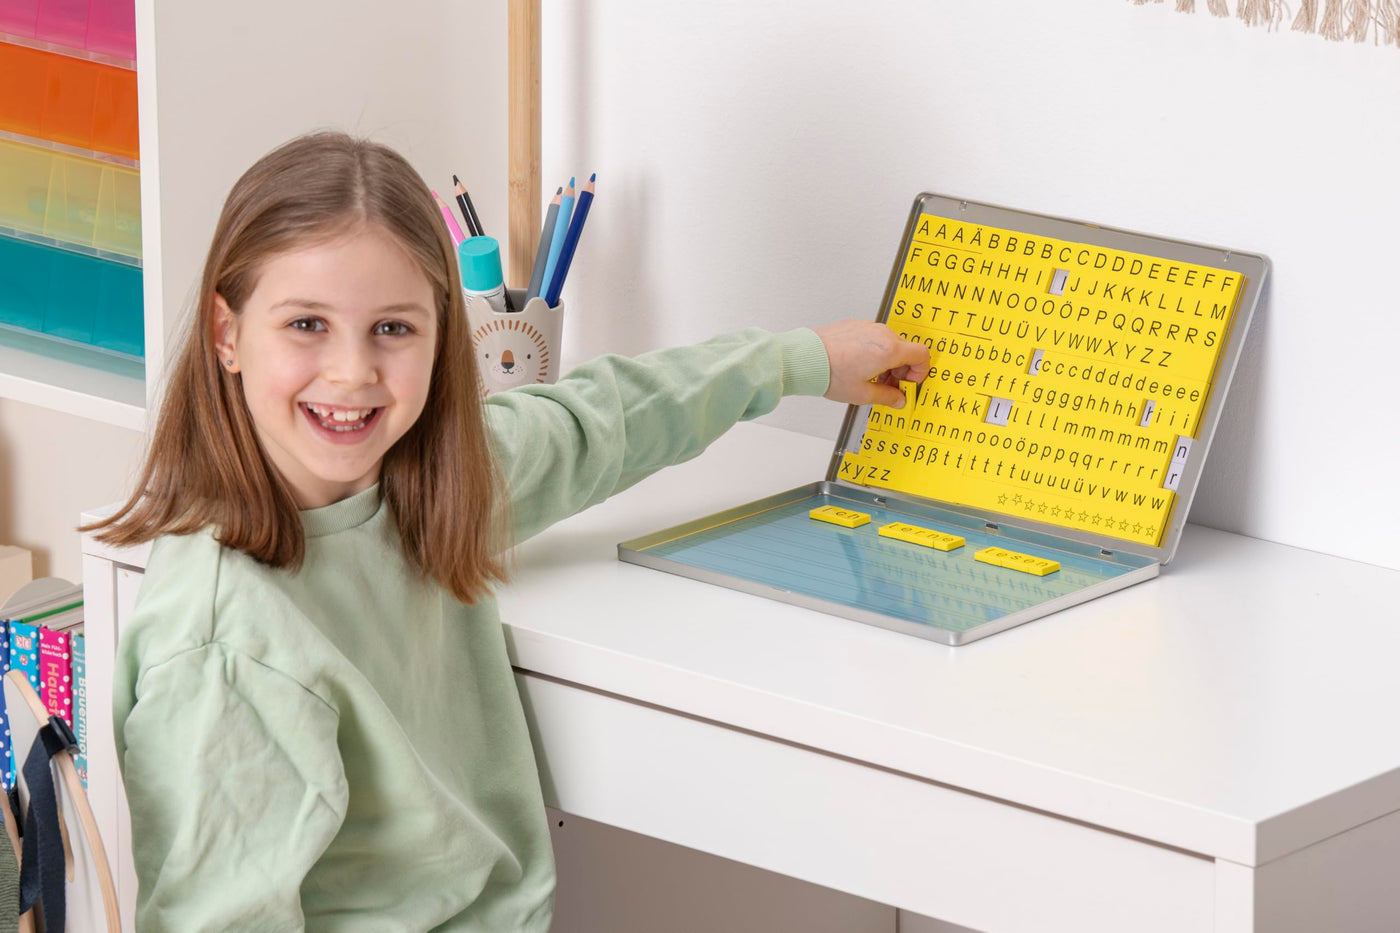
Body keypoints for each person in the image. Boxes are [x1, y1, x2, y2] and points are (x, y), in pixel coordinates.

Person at [86, 131, 930, 931]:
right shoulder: (223, 648)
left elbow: (602, 421)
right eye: (307, 324)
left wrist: (800, 359)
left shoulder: (426, 484)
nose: (353, 372)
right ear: (227, 334)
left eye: (393, 328)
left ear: (442, 333)